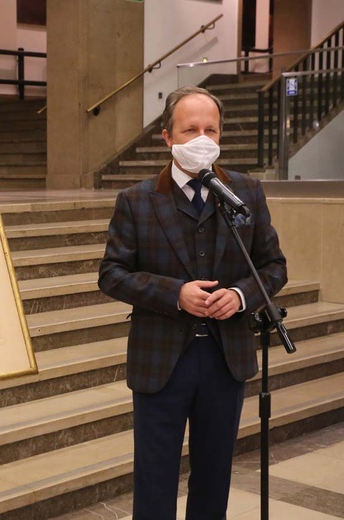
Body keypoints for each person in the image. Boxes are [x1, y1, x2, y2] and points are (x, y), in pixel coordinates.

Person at [98, 86, 287, 519]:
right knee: (155, 475)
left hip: (226, 358)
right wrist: (174, 294)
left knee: (215, 473)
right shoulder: (136, 200)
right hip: (161, 358)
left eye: (211, 129)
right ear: (167, 137)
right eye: (190, 129)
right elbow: (111, 274)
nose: (202, 138)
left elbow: (273, 266)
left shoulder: (246, 193)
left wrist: (241, 296)